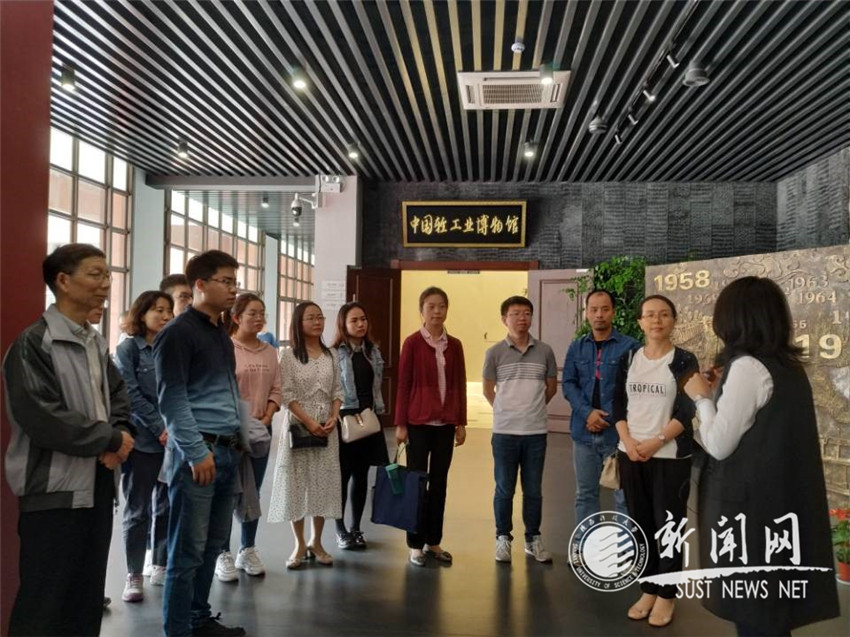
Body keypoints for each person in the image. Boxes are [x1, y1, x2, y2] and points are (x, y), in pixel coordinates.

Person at [684, 277, 839, 636]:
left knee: (755, 615)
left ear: (736, 319)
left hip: (750, 513)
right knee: (771, 612)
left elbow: (719, 443)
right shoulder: (786, 366)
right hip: (777, 507)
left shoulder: (748, 368)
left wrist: (702, 397)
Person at [3, 243, 135, 636]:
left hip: (97, 485)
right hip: (53, 491)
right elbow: (41, 416)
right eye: (95, 274)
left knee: (85, 598)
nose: (106, 283)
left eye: (107, 274)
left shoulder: (95, 341)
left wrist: (120, 435)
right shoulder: (33, 343)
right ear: (63, 280)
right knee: (44, 603)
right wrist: (109, 439)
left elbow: (118, 395)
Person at [154, 250, 245, 637]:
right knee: (187, 551)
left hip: (226, 451)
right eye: (226, 281)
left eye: (235, 282)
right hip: (199, 454)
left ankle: (198, 618)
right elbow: (172, 399)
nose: (233, 289)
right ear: (200, 285)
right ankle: (177, 630)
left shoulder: (218, 332)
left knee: (212, 545)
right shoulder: (178, 333)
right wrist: (196, 452)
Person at [613, 295, 698, 628]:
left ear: (673, 320)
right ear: (640, 322)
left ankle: (667, 594)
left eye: (664, 315)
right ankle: (648, 588)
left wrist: (656, 441)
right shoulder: (628, 357)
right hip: (631, 454)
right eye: (649, 315)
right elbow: (617, 404)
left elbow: (687, 410)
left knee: (669, 527)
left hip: (669, 455)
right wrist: (629, 441)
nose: (656, 320)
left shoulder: (684, 359)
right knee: (642, 524)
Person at [267, 302, 343, 569]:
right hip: (299, 425)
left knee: (323, 484)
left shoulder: (332, 354)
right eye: (311, 318)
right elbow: (287, 394)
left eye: (320, 317)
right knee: (296, 485)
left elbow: (338, 390)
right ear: (299, 323)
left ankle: (316, 542)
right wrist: (310, 422)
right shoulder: (289, 356)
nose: (317, 322)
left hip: (327, 426)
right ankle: (299, 544)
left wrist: (334, 415)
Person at [395, 287, 467, 567]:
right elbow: (403, 385)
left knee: (439, 484)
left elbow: (459, 384)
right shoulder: (412, 343)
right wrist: (401, 423)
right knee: (416, 483)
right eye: (431, 306)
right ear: (422, 310)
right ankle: (415, 544)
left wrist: (460, 422)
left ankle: (433, 541)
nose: (437, 311)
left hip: (445, 424)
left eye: (441, 306)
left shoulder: (455, 345)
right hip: (418, 423)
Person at [483, 296, 558, 564]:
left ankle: (533, 539)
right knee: (504, 488)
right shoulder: (494, 353)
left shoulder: (545, 351)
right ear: (504, 319)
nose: (522, 318)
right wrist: (507, 411)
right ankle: (503, 538)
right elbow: (488, 389)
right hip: (504, 433)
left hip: (535, 432)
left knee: (533, 489)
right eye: (515, 314)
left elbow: (551, 387)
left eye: (526, 313)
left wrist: (532, 410)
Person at [215, 293, 282, 580]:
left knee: (253, 490)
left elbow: (277, 388)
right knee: (228, 491)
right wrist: (240, 422)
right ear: (236, 317)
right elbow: (221, 389)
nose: (258, 318)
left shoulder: (269, 351)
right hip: (231, 430)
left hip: (261, 430)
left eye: (261, 313)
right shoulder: (226, 348)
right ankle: (222, 552)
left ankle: (248, 549)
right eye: (252, 313)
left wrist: (268, 416)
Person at [114, 291, 175, 601]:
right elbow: (130, 394)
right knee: (138, 510)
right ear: (141, 314)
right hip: (142, 442)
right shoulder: (129, 349)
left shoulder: (172, 347)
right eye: (158, 310)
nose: (165, 316)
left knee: (166, 505)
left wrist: (174, 427)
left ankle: (160, 563)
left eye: (168, 311)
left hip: (172, 440)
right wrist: (160, 426)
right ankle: (134, 573)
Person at [562, 289, 639, 528]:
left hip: (618, 435)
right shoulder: (577, 347)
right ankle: (586, 545)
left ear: (613, 312)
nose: (599, 315)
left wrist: (609, 417)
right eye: (594, 309)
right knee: (585, 495)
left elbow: (635, 389)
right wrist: (588, 413)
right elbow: (569, 383)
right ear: (586, 313)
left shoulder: (631, 347)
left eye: (605, 309)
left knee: (624, 496)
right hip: (583, 433)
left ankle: (626, 548)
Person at [333, 302, 389, 550]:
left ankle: (356, 528)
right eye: (354, 320)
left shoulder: (373, 351)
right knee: (342, 476)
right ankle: (340, 530)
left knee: (362, 476)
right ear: (343, 324)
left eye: (363, 319)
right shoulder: (335, 353)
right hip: (345, 419)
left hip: (368, 419)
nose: (360, 324)